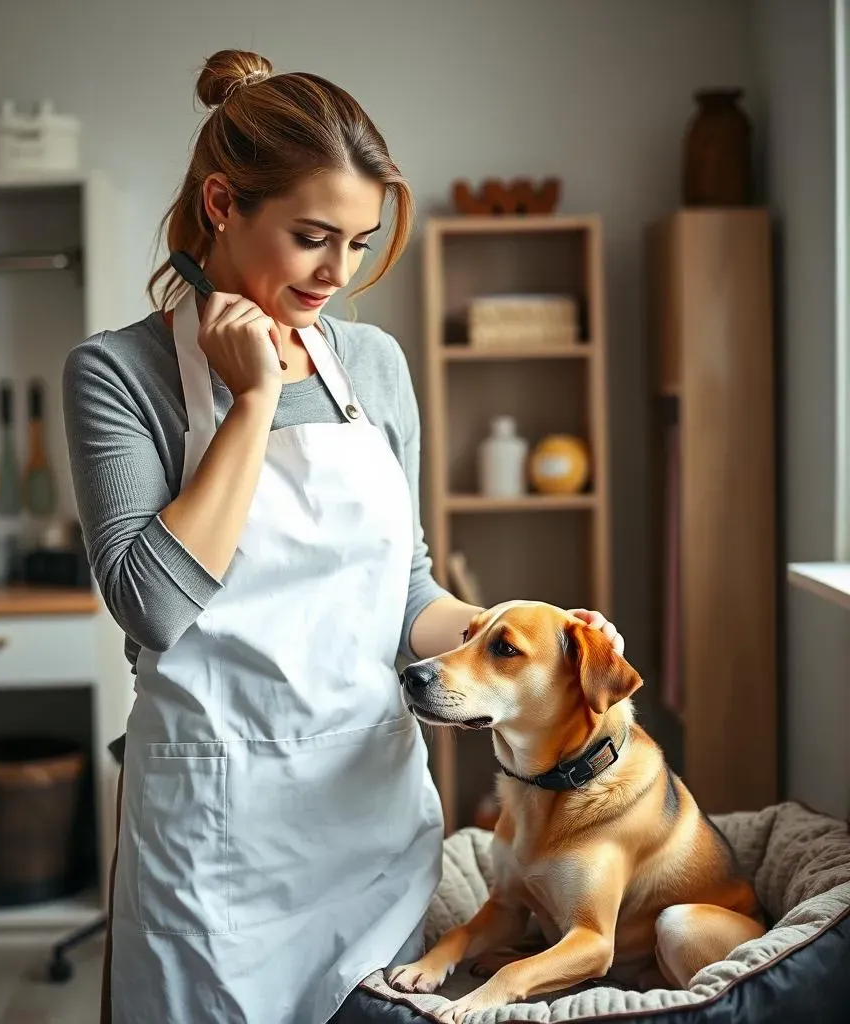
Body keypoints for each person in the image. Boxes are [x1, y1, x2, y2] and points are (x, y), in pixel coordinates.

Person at [62, 48, 625, 1024]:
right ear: (222, 203)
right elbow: (151, 605)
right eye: (312, 236)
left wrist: (506, 631)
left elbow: (403, 590)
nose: (337, 272)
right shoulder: (118, 375)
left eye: (358, 243)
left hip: (366, 816)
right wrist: (250, 404)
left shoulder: (371, 362)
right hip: (215, 837)